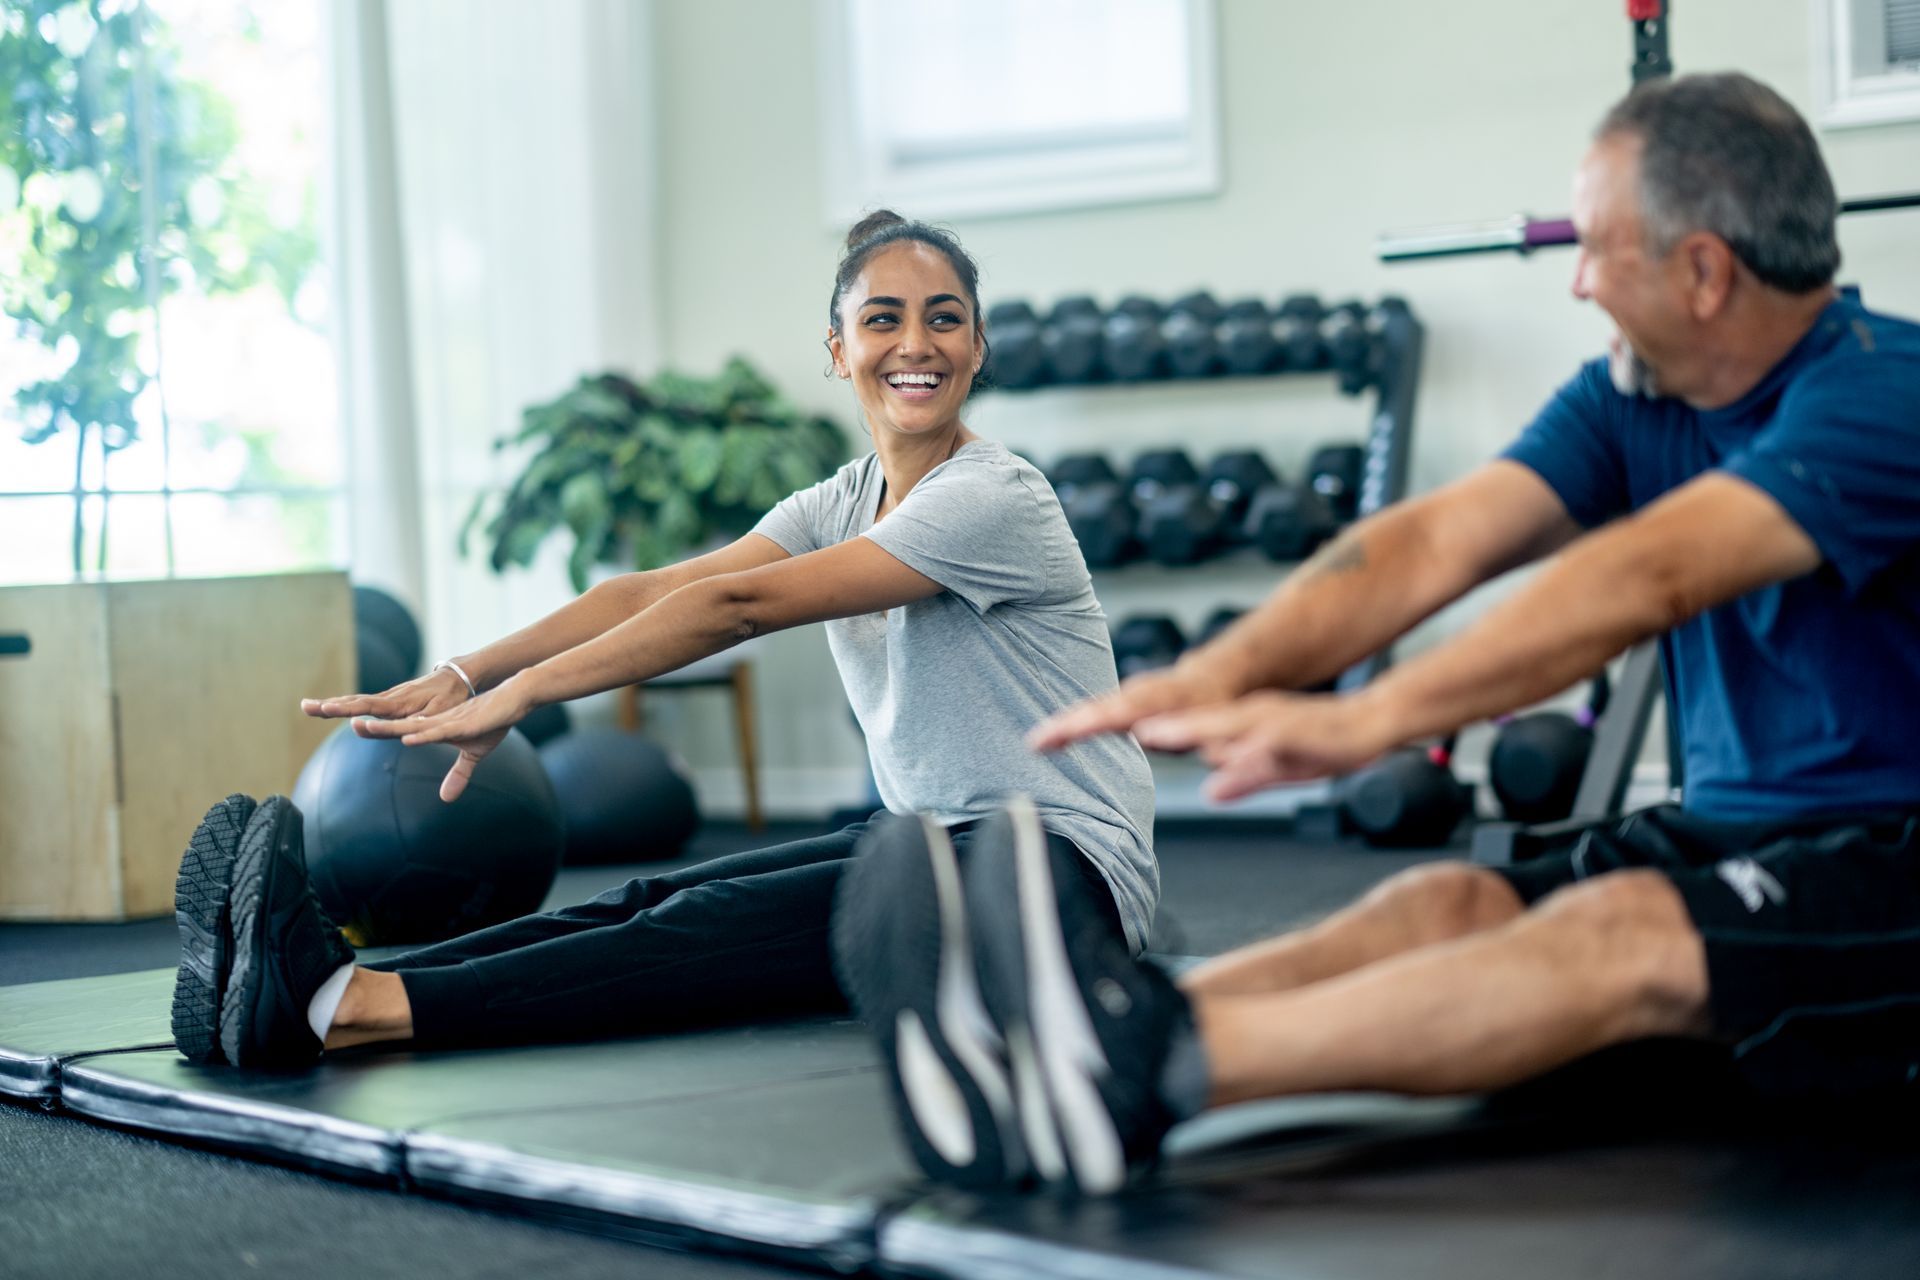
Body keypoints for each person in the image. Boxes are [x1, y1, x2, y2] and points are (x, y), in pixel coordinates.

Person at [833, 72, 1920, 1196]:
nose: (1581, 282)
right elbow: (1431, 541)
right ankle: (1078, 1028)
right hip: (1734, 835)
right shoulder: (1635, 397)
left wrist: (1366, 717)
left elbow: (1644, 574)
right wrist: (1219, 670)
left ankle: (1144, 1069)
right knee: (1448, 898)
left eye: (1600, 249)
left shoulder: (1886, 394)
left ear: (1703, 269)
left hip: (1895, 858)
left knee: (1624, 928)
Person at [169, 211, 1157, 1184]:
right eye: (883, 318)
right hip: (939, 842)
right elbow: (649, 591)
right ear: (838, 346)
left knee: (704, 923)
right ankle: (334, 984)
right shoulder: (843, 498)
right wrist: (470, 671)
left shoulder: (994, 494)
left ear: (978, 346)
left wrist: (522, 695)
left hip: (1055, 879)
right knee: (659, 895)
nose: (916, 344)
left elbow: (735, 607)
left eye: (945, 318)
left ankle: (353, 1008)